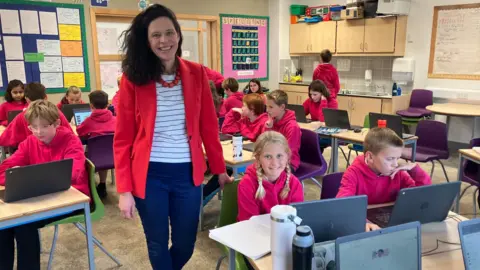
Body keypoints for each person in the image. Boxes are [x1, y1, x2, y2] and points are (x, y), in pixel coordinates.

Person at [114, 4, 232, 270]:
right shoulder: (133, 78)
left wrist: (220, 169)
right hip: (149, 175)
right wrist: (124, 189)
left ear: (178, 35)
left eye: (169, 33)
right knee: (157, 244)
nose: (163, 40)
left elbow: (208, 128)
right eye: (155, 35)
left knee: (185, 244)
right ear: (147, 40)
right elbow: (122, 138)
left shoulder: (196, 73)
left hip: (187, 175)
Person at [0, 99, 89, 270]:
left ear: (56, 123)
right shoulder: (29, 142)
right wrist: (18, 177)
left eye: (45, 126)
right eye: (33, 127)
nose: (39, 132)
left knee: (23, 224)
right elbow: (4, 169)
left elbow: (73, 173)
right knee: (4, 225)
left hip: (72, 198)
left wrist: (26, 177)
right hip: (41, 196)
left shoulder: (70, 140)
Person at [336, 127, 431, 231]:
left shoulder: (397, 172)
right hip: (368, 225)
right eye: (390, 159)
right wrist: (363, 222)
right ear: (370, 157)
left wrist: (414, 170)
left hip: (392, 223)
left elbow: (421, 196)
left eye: (397, 158)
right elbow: (342, 205)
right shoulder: (353, 173)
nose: (395, 164)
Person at [237, 131, 303, 221]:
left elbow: (297, 220)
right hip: (255, 233)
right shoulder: (247, 184)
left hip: (285, 232)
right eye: (268, 156)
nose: (274, 163)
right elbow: (249, 224)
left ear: (287, 157)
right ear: (258, 158)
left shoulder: (294, 184)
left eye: (279, 156)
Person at [0, 82, 73, 148]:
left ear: (27, 99)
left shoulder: (21, 117)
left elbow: (4, 139)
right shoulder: (56, 112)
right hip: (57, 153)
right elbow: (71, 136)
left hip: (32, 156)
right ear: (46, 97)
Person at [76, 90, 116, 198]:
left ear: (91, 106)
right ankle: (102, 184)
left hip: (93, 159)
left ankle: (90, 186)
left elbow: (79, 131)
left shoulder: (88, 121)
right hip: (113, 157)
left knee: (85, 153)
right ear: (107, 105)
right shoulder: (115, 120)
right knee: (103, 152)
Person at [265, 90, 301, 171]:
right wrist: (268, 127)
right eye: (266, 106)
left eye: (271, 107)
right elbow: (264, 142)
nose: (267, 110)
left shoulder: (292, 126)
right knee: (253, 171)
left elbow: (289, 151)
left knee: (266, 175)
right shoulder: (271, 121)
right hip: (272, 158)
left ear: (282, 107)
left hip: (288, 162)